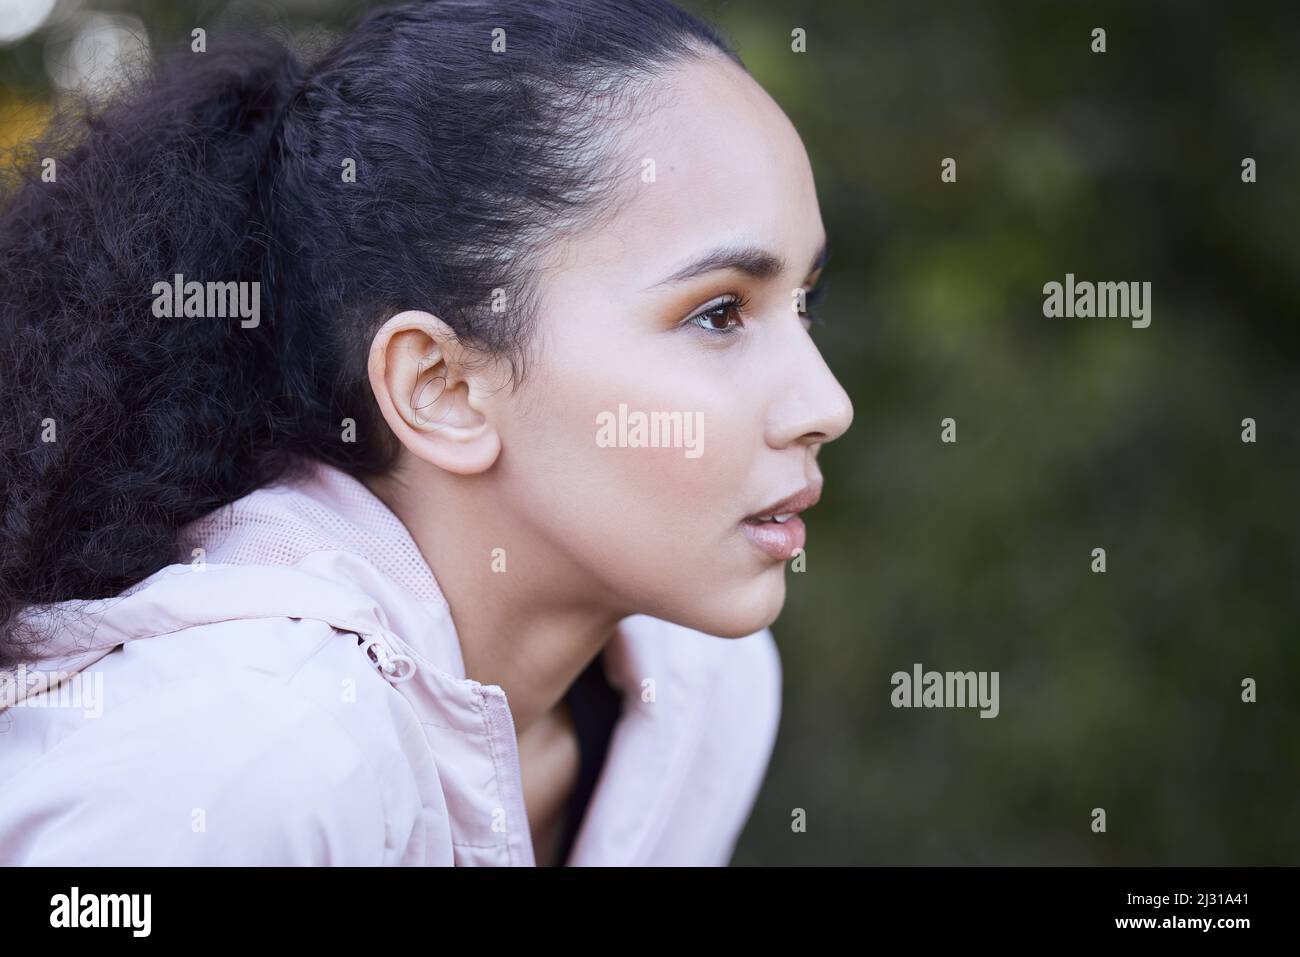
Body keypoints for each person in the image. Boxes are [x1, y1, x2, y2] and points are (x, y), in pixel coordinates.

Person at [0, 0, 853, 866]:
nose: (827, 403)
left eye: (803, 304)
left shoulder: (700, 692)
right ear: (441, 388)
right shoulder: (241, 768)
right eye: (717, 314)